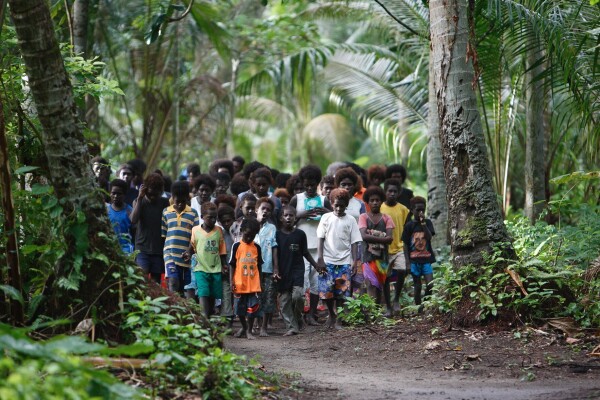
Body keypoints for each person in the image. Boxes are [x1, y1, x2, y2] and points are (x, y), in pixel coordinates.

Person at [290, 164, 331, 325]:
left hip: (319, 246)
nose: (309, 188)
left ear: (317, 183)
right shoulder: (297, 199)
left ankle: (311, 314)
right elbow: (287, 218)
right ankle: (298, 314)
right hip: (301, 247)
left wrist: (324, 212)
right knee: (302, 281)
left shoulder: (323, 199)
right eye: (306, 185)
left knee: (316, 281)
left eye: (312, 185)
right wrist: (301, 214)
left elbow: (334, 216)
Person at [316, 188, 361, 329]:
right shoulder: (326, 218)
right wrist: (320, 258)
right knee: (327, 292)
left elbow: (354, 241)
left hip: (344, 261)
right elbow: (320, 238)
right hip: (328, 261)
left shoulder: (351, 220)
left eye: (342, 205)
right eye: (336, 205)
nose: (339, 208)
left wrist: (354, 261)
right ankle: (331, 315)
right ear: (331, 203)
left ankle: (339, 320)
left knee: (342, 292)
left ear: (346, 205)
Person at [276, 206, 320, 336]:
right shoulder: (277, 235)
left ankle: (298, 318)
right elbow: (274, 254)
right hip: (283, 272)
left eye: (291, 215)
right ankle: (291, 326)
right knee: (284, 302)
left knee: (298, 297)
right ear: (281, 218)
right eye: (286, 215)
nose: (288, 218)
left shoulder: (300, 234)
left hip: (297, 270)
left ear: (296, 218)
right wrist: (275, 270)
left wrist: (316, 265)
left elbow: (305, 252)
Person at [183, 202, 227, 318]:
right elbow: (192, 246)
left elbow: (222, 249)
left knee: (212, 294)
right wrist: (188, 253)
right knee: (203, 293)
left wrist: (223, 265)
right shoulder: (195, 230)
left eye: (215, 217)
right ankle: (204, 318)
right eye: (210, 217)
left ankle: (209, 314)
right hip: (200, 268)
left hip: (215, 268)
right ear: (202, 217)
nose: (213, 220)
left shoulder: (219, 230)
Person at [359, 186, 395, 316]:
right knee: (370, 283)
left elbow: (390, 239)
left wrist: (371, 234)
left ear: (381, 201)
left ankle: (379, 310)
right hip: (367, 257)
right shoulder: (363, 217)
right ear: (367, 202)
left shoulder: (387, 218)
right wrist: (381, 237)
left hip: (383, 257)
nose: (375, 202)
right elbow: (363, 236)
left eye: (377, 200)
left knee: (382, 284)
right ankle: (372, 312)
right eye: (372, 200)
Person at [131, 173, 171, 284]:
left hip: (158, 250)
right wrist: (140, 199)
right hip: (142, 249)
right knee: (141, 278)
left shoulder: (164, 203)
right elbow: (133, 220)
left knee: (156, 282)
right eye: (150, 194)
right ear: (145, 189)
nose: (153, 197)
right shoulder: (138, 202)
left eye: (156, 194)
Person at [161, 181, 199, 294]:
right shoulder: (166, 212)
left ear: (187, 198)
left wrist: (189, 250)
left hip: (186, 256)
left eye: (183, 201)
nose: (180, 204)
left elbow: (195, 236)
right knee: (173, 282)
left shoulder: (193, 213)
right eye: (178, 201)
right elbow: (164, 234)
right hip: (170, 254)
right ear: (173, 198)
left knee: (186, 287)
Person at [380, 179, 411, 312]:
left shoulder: (403, 209)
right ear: (385, 192)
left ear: (399, 193)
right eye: (389, 191)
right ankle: (388, 306)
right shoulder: (380, 207)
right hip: (384, 249)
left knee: (402, 270)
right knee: (385, 278)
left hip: (399, 247)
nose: (392, 194)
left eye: (394, 191)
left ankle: (396, 298)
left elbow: (407, 230)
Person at [230, 217, 263, 340]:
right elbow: (232, 264)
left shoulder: (257, 248)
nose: (249, 238)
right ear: (242, 230)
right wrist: (231, 281)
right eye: (248, 235)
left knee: (253, 309)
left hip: (253, 284)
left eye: (253, 236)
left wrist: (261, 283)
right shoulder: (236, 246)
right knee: (239, 310)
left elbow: (259, 266)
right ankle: (244, 327)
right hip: (240, 284)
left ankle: (249, 330)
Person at [402, 196, 436, 309]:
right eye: (418, 210)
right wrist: (407, 262)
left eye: (423, 209)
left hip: (426, 259)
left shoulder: (428, 223)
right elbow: (405, 244)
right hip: (414, 260)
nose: (421, 212)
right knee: (417, 286)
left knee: (430, 284)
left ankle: (427, 304)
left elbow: (429, 237)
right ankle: (419, 308)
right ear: (412, 210)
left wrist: (423, 224)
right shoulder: (409, 226)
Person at [254, 197, 279, 337]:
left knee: (268, 297)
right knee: (255, 297)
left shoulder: (272, 228)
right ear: (257, 209)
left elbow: (274, 247)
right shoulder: (250, 225)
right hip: (252, 269)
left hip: (267, 267)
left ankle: (264, 327)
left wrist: (276, 268)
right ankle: (255, 323)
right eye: (263, 208)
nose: (266, 211)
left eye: (269, 210)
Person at [217, 205, 236, 328]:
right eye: (224, 221)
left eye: (229, 220)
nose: (227, 223)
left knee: (235, 295)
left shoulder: (238, 232)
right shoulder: (220, 234)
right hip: (225, 269)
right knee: (226, 294)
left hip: (238, 270)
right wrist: (222, 266)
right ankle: (227, 322)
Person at [107, 179, 133, 254]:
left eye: (119, 194)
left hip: (126, 250)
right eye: (113, 193)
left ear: (124, 195)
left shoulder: (129, 211)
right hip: (109, 248)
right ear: (110, 193)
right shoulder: (106, 210)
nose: (116, 196)